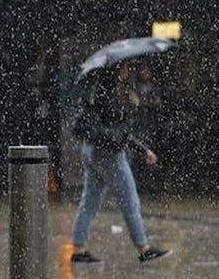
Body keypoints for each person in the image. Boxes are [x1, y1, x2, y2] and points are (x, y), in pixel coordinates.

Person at [70, 62, 171, 264]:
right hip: (109, 156)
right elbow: (120, 132)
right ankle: (144, 248)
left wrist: (142, 150)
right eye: (123, 68)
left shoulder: (97, 91)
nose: (127, 71)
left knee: (89, 201)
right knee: (130, 202)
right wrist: (132, 106)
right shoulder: (111, 96)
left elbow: (115, 131)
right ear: (116, 72)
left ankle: (79, 249)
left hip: (91, 150)